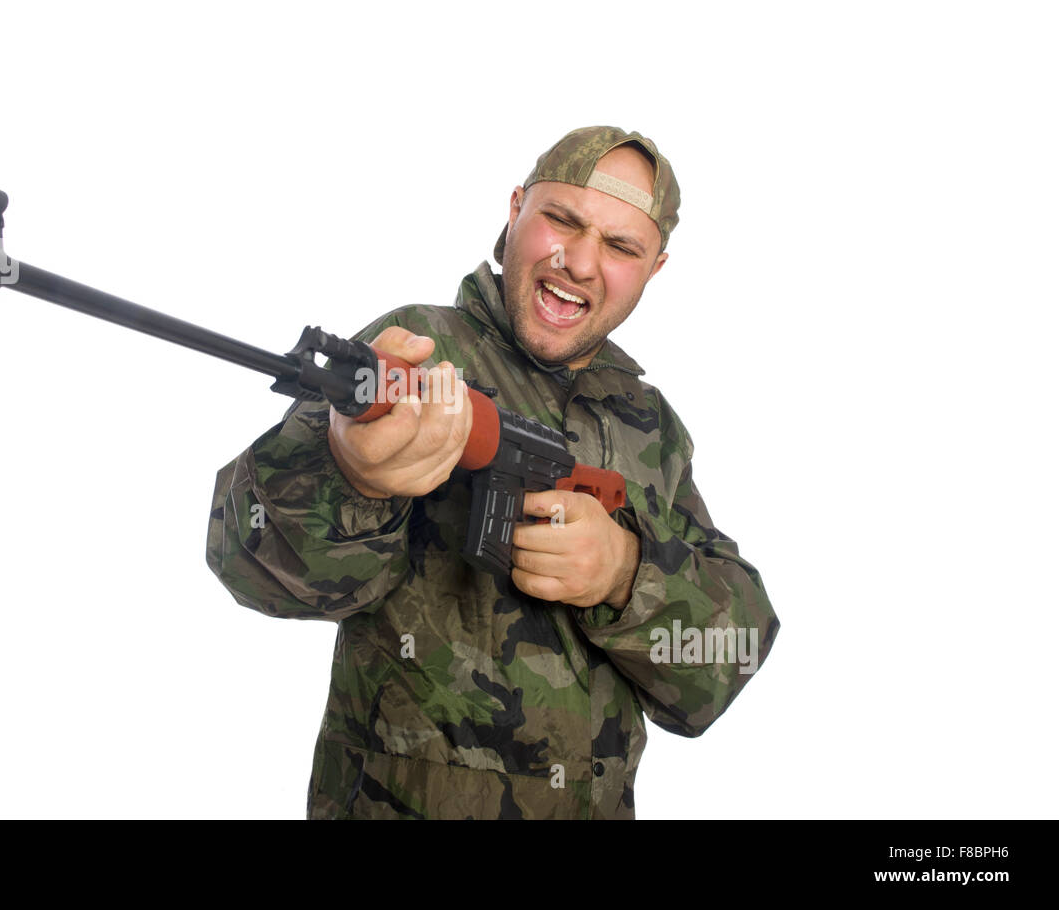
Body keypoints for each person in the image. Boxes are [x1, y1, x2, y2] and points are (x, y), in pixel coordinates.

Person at [206, 126, 780, 819]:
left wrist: (625, 573)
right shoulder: (419, 350)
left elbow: (728, 655)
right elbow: (245, 555)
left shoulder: (648, 423)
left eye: (622, 246)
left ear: (655, 267)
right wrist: (350, 473)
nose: (580, 262)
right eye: (562, 220)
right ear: (515, 210)